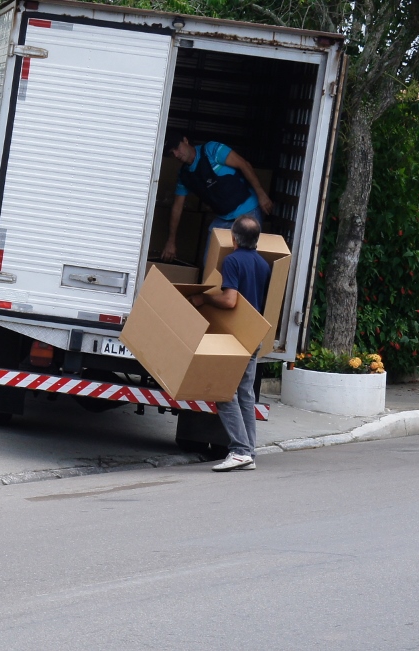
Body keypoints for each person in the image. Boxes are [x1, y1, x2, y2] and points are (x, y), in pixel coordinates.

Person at [187, 215, 271, 471]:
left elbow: (230, 301)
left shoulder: (232, 261)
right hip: (252, 336)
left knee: (224, 394)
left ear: (233, 239)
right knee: (246, 395)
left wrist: (205, 299)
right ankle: (249, 452)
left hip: (235, 337)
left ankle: (239, 450)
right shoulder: (263, 265)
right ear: (256, 239)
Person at [160, 132, 274, 264]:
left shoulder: (212, 150)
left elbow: (244, 164)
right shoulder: (184, 175)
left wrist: (261, 194)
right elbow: (177, 208)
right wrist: (171, 241)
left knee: (244, 261)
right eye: (171, 153)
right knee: (209, 264)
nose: (176, 154)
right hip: (223, 218)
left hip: (247, 211)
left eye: (176, 148)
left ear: (185, 140)